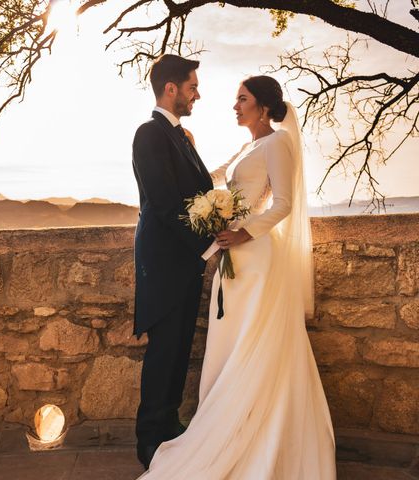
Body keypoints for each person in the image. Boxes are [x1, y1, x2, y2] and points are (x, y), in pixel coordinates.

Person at [136, 75, 336, 479]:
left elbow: (283, 204)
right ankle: (232, 424)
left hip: (256, 255)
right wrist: (184, 144)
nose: (234, 106)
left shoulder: (278, 142)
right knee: (234, 346)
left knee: (256, 344)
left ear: (263, 107)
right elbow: (208, 180)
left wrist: (244, 232)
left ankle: (263, 434)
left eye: (242, 99)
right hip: (235, 257)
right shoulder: (250, 145)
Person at [131, 54, 216, 470]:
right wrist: (208, 246)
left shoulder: (183, 137)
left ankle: (169, 429)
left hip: (185, 265)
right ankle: (149, 441)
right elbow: (164, 204)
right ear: (171, 89)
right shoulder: (149, 134)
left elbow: (199, 195)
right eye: (192, 86)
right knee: (164, 352)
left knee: (180, 351)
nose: (196, 93)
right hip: (164, 265)